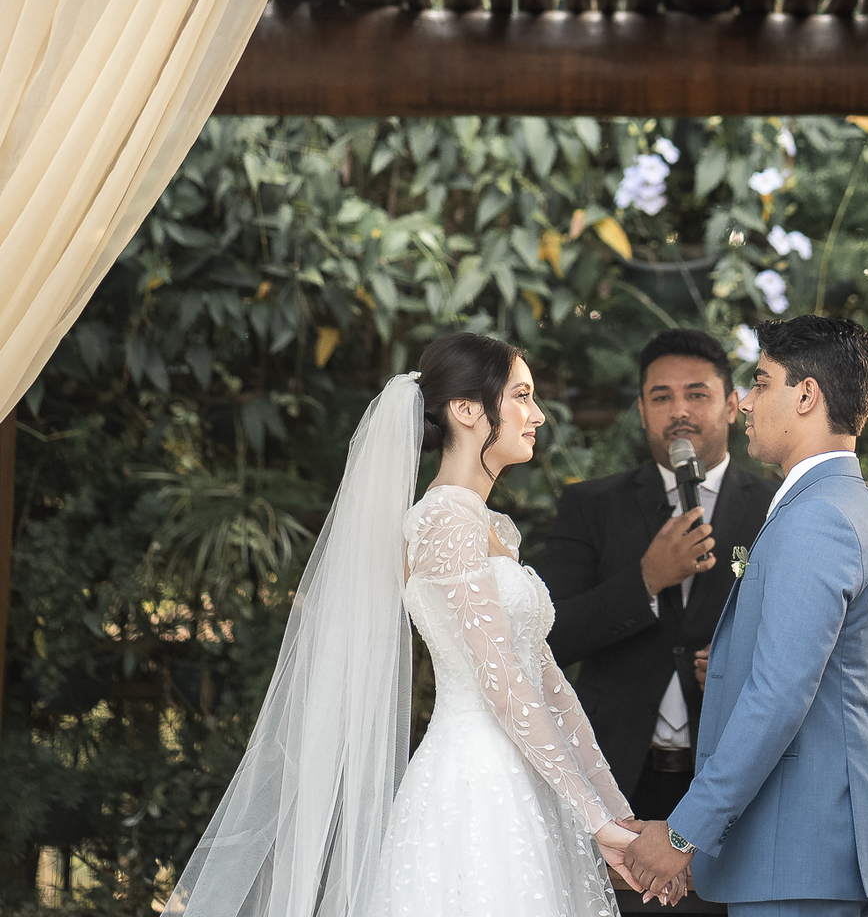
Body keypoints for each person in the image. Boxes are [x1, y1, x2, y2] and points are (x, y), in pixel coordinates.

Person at [165, 333, 683, 917]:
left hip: (526, 781)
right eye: (521, 396)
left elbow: (548, 683)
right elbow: (501, 683)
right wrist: (593, 819)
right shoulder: (442, 522)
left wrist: (615, 815)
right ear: (467, 410)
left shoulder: (491, 528)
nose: (536, 415)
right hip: (475, 786)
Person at [623, 314, 868, 917]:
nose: (746, 403)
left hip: (799, 855)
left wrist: (682, 833)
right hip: (803, 854)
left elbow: (777, 696)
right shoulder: (845, 506)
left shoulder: (817, 520)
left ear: (806, 396)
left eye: (761, 382)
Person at [541, 328, 776, 819]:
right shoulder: (591, 506)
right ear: (643, 411)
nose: (680, 411)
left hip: (732, 779)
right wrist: (645, 580)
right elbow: (549, 638)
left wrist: (744, 667)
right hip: (612, 777)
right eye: (661, 397)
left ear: (732, 405)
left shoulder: (778, 507)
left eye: (697, 394)